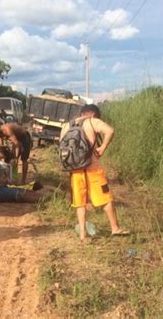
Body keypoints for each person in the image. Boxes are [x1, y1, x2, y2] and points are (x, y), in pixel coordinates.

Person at [61, 104, 129, 242]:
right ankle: (115, 228)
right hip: (92, 168)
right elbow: (110, 131)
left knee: (80, 202)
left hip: (75, 170)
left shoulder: (66, 126)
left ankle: (82, 235)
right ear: (92, 114)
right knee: (105, 198)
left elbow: (62, 145)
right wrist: (102, 147)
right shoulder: (92, 121)